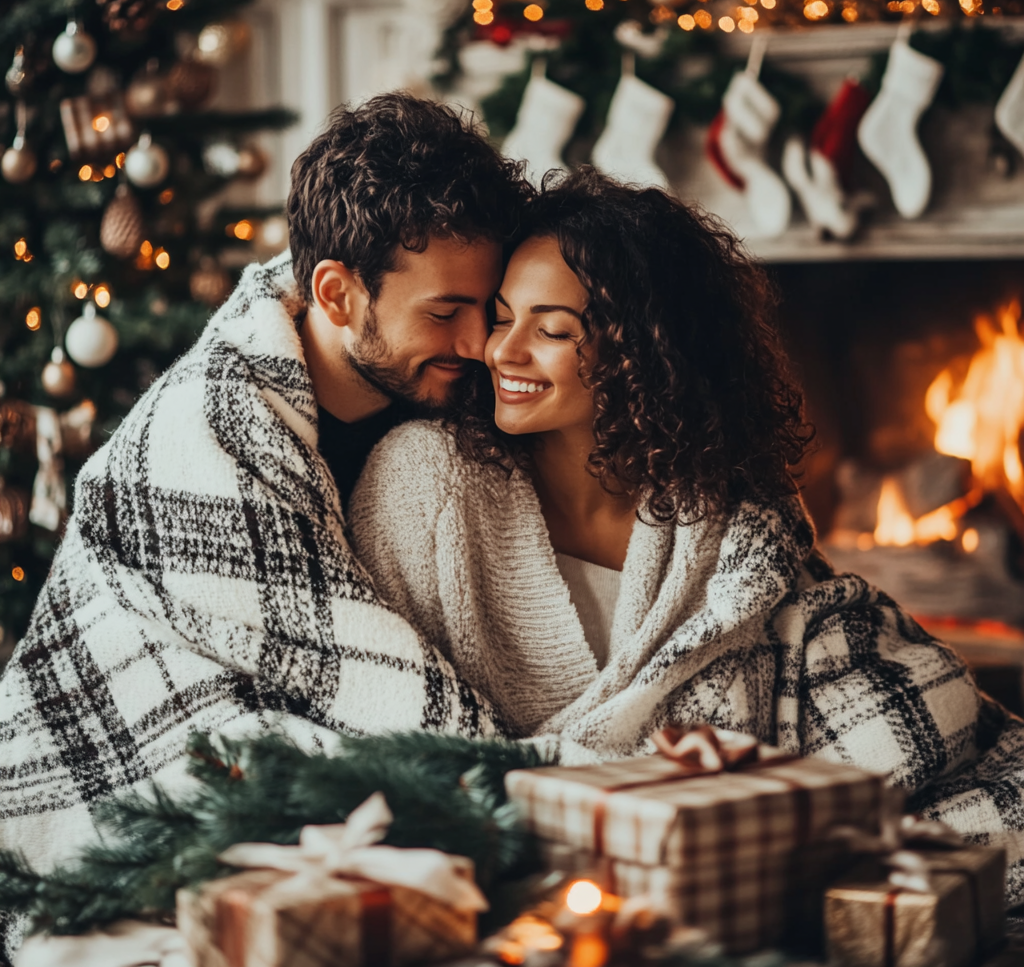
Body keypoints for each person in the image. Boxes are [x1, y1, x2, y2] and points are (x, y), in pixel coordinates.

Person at [350, 167, 1024, 901]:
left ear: (641, 351)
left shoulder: (717, 515)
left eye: (550, 330)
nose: (502, 353)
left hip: (714, 869)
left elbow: (826, 662)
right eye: (503, 317)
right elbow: (386, 706)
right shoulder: (424, 482)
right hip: (504, 866)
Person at [0, 93, 528, 956]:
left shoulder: (444, 403)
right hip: (88, 765)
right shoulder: (211, 424)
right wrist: (541, 782)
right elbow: (346, 662)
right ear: (336, 290)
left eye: (488, 309)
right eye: (444, 313)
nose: (478, 345)